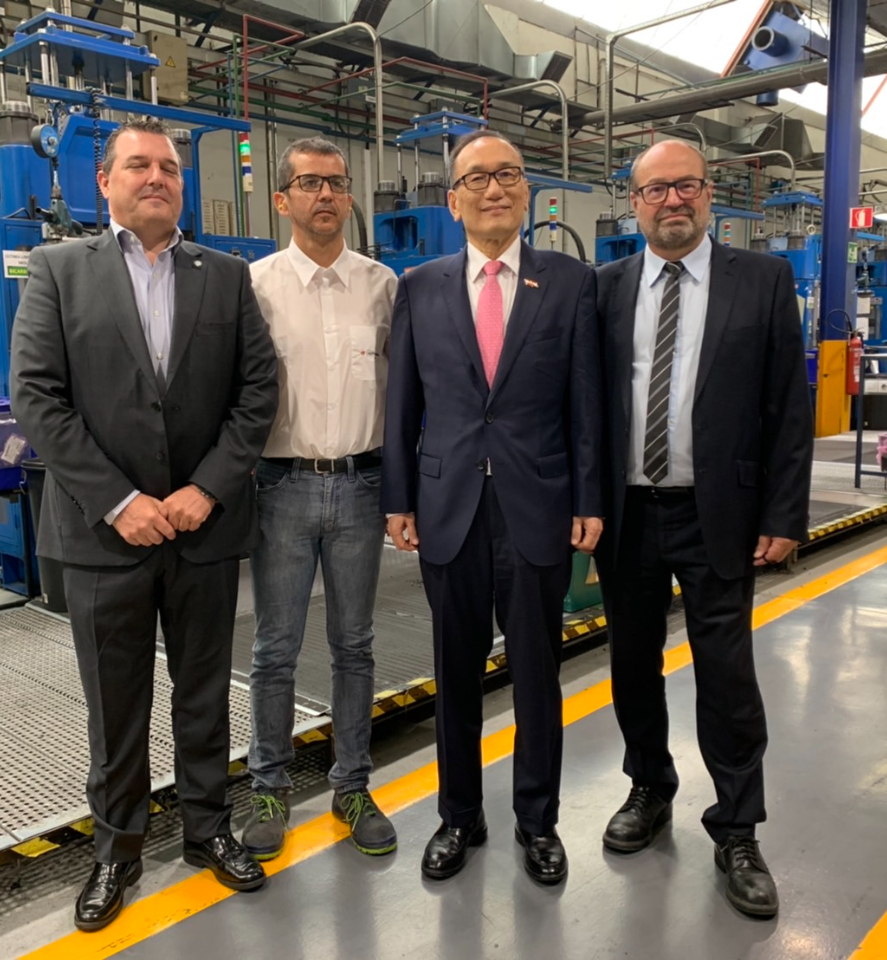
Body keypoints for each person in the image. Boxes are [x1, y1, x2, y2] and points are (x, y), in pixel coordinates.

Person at [10, 117, 278, 932]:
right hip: (103, 536)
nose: (156, 176)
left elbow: (257, 391)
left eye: (169, 166)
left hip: (203, 530)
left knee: (203, 694)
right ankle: (116, 849)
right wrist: (119, 501)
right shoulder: (59, 270)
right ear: (105, 181)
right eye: (138, 165)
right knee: (114, 702)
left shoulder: (225, 276)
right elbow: (36, 395)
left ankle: (207, 828)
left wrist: (208, 488)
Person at [593, 139, 813, 919]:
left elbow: (789, 406)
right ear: (635, 203)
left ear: (708, 192)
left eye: (685, 186)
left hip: (719, 513)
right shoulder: (606, 288)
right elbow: (588, 409)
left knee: (727, 675)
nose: (672, 201)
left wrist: (784, 514)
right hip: (628, 513)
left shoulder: (762, 280)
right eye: (655, 190)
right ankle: (649, 788)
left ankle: (738, 829)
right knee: (632, 664)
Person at [381, 129, 604, 886]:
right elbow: (403, 403)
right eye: (476, 178)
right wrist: (398, 497)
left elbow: (586, 403)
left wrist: (589, 497)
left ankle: (537, 821)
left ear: (527, 191)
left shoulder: (569, 283)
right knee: (455, 672)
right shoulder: (419, 287)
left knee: (537, 674)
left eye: (508, 174)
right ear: (453, 201)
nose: (494, 189)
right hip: (448, 506)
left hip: (537, 506)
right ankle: (459, 816)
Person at [242, 137, 399, 860]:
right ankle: (268, 786)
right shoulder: (255, 287)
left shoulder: (382, 285)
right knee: (274, 648)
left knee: (354, 646)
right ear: (283, 200)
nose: (326, 195)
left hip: (363, 486)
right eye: (310, 183)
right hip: (281, 486)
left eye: (336, 183)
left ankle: (352, 785)